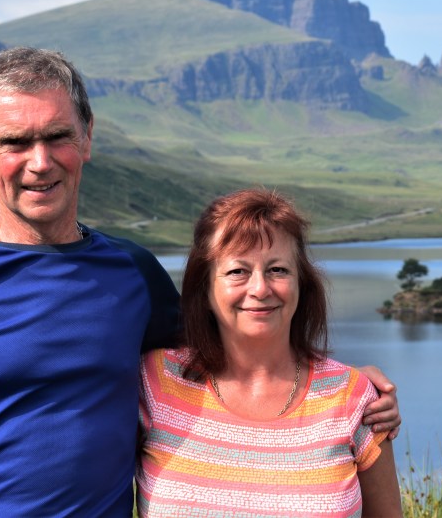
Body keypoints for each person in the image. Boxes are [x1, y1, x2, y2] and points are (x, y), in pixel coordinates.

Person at [0, 46, 399, 517]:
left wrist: (345, 384)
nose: (39, 162)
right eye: (15, 142)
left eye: (58, 136)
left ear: (88, 137)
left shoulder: (134, 275)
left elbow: (228, 351)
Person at [136, 188, 403, 516]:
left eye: (278, 270)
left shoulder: (355, 399)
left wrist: (347, 383)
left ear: (301, 284)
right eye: (238, 271)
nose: (260, 288)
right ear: (204, 287)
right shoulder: (152, 383)